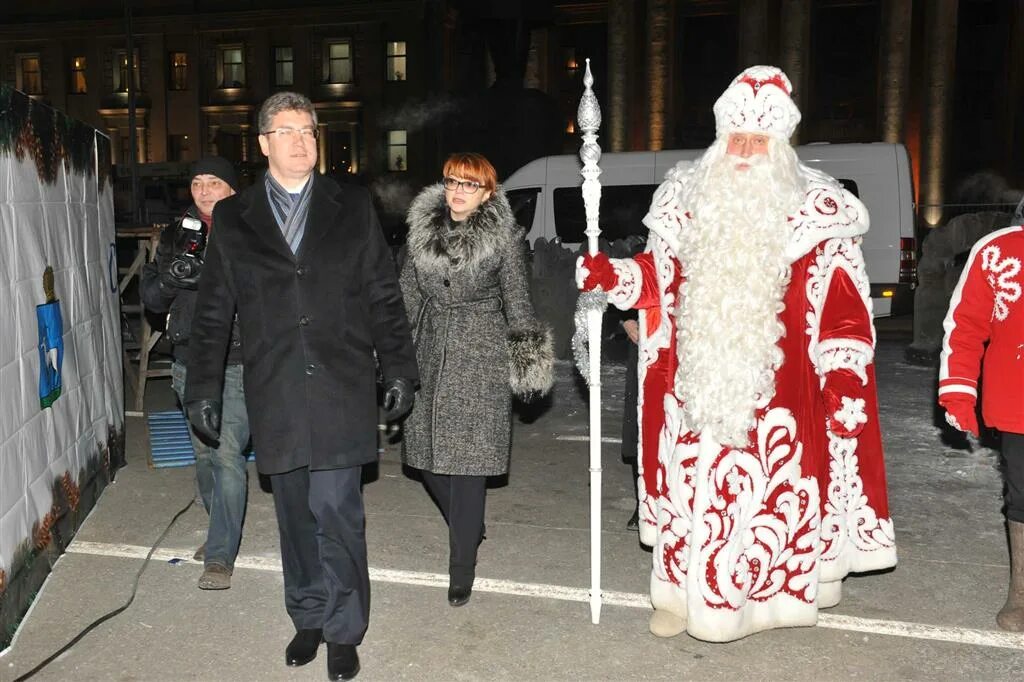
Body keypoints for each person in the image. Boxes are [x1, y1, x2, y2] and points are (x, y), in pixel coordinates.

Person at [575, 65, 896, 642]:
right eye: (737, 138)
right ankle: (676, 595)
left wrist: (843, 371)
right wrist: (614, 275)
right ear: (721, 139)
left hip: (780, 395)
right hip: (695, 383)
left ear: (779, 146)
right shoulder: (683, 197)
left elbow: (843, 303)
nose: (746, 151)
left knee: (768, 496)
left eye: (758, 140)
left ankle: (766, 600)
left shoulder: (819, 212)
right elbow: (658, 278)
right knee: (689, 489)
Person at [185, 91, 418, 681]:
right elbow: (215, 308)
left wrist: (398, 367)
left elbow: (382, 293)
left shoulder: (352, 203)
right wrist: (204, 388)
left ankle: (344, 630)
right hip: (276, 384)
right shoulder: (237, 218)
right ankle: (308, 615)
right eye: (287, 131)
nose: (300, 141)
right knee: (293, 513)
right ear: (264, 144)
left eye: (308, 131)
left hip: (341, 380)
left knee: (338, 509)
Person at [400, 152, 554, 607]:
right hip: (429, 351)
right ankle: (469, 524)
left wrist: (528, 365)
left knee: (468, 469)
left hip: (480, 355)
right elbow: (406, 294)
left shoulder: (502, 237)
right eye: (452, 181)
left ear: (488, 193)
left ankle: (461, 567)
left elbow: (518, 301)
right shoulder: (422, 231)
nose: (458, 191)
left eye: (470, 185)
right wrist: (392, 354)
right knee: (424, 459)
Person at [140, 156, 247, 591]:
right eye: (198, 182)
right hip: (187, 358)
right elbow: (150, 297)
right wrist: (171, 280)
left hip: (237, 358)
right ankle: (218, 523)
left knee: (226, 454)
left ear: (233, 190)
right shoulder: (174, 234)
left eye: (215, 182)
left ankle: (220, 555)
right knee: (204, 455)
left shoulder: (254, 230)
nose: (204, 190)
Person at [939, 224, 1024, 632]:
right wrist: (958, 391)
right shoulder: (999, 250)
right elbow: (966, 323)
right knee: (1023, 492)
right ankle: (1021, 592)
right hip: (1019, 400)